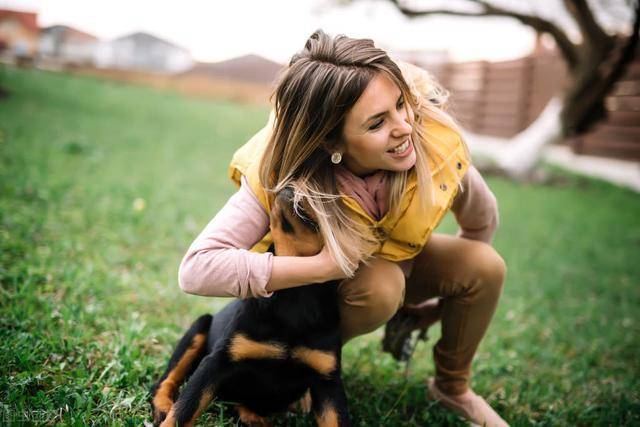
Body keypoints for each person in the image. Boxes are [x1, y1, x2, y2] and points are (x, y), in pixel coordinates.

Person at [178, 29, 508, 427]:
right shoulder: (279, 167)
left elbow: (481, 220)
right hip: (315, 289)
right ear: (331, 140)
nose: (405, 127)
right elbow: (196, 269)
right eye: (377, 123)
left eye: (401, 104)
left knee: (484, 264)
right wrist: (323, 267)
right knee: (378, 288)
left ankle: (453, 387)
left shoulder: (434, 143)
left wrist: (438, 304)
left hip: (397, 264)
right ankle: (307, 370)